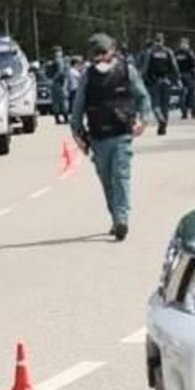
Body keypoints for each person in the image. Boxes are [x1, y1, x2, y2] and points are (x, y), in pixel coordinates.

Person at [69, 33, 153, 240]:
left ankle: (122, 219)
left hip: (122, 133)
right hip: (98, 137)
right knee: (107, 181)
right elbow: (78, 106)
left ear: (112, 51)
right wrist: (77, 133)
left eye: (103, 53)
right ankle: (116, 218)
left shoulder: (127, 71)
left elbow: (142, 96)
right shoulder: (88, 76)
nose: (100, 58)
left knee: (121, 176)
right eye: (96, 54)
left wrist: (144, 119)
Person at [142, 33, 181, 136]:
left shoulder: (150, 51)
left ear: (154, 40)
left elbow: (145, 68)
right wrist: (176, 79)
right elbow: (175, 67)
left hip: (154, 81)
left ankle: (160, 119)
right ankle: (164, 126)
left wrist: (144, 79)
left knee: (155, 104)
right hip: (166, 80)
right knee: (165, 105)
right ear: (163, 40)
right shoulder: (168, 51)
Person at [174, 38, 195, 119]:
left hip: (179, 75)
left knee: (182, 94)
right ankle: (194, 112)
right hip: (189, 75)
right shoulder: (189, 52)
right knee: (192, 94)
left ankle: (184, 113)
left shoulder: (176, 53)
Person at [49, 46, 70, 124]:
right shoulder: (59, 61)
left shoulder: (53, 61)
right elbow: (60, 72)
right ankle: (66, 118)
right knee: (63, 101)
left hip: (54, 84)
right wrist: (54, 80)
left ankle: (57, 119)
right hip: (60, 83)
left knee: (55, 102)